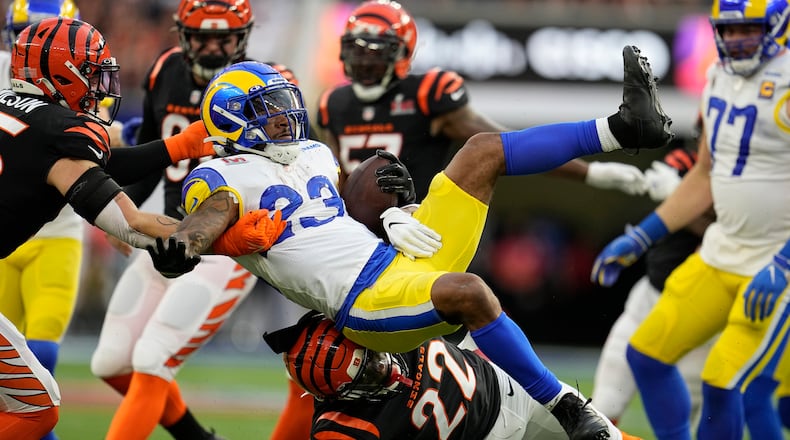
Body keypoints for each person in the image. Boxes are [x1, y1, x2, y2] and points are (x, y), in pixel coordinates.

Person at [152, 43, 673, 440]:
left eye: (284, 104)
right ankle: (565, 406)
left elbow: (341, 215)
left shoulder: (311, 153)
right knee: (468, 293)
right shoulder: (222, 174)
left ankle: (622, 129)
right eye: (267, 108)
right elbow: (208, 218)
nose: (285, 115)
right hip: (365, 299)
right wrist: (187, 245)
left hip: (395, 256)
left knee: (480, 152)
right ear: (232, 119)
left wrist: (396, 212)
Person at [0, 14, 273, 438]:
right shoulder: (64, 135)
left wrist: (179, 145)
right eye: (90, 73)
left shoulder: (17, 111)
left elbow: (91, 165)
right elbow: (134, 223)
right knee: (37, 406)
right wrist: (228, 240)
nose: (98, 85)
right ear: (61, 74)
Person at [88, 1, 306, 439]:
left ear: (243, 36)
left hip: (225, 248)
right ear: (182, 34)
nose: (211, 47)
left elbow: (299, 162)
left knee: (152, 360)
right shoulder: (165, 68)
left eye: (222, 38)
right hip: (168, 233)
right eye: (202, 37)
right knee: (110, 362)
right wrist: (122, 207)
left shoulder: (269, 81)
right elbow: (151, 148)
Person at [589, 0, 790, 438]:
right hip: (722, 252)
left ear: (777, 26)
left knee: (730, 385)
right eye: (728, 31)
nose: (735, 41)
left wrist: (786, 262)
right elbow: (704, 174)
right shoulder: (718, 78)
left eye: (747, 30)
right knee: (645, 355)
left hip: (775, 265)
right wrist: (642, 237)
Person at [318, 0, 649, 203]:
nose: (363, 62)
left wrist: (590, 175)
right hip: (356, 234)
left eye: (375, 52)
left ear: (402, 53)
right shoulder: (332, 103)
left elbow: (507, 146)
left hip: (419, 223)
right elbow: (335, 183)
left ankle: (614, 131)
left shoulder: (425, 93)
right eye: (356, 50)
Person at [262, 311, 643, 440]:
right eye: (369, 377)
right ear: (338, 396)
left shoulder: (378, 318)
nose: (386, 369)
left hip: (509, 386)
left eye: (372, 358)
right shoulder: (339, 429)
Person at [590, 129, 717, 427]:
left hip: (701, 313)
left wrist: (682, 197)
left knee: (681, 420)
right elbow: (681, 200)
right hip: (650, 296)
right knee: (602, 406)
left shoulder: (749, 178)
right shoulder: (687, 161)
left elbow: (734, 228)